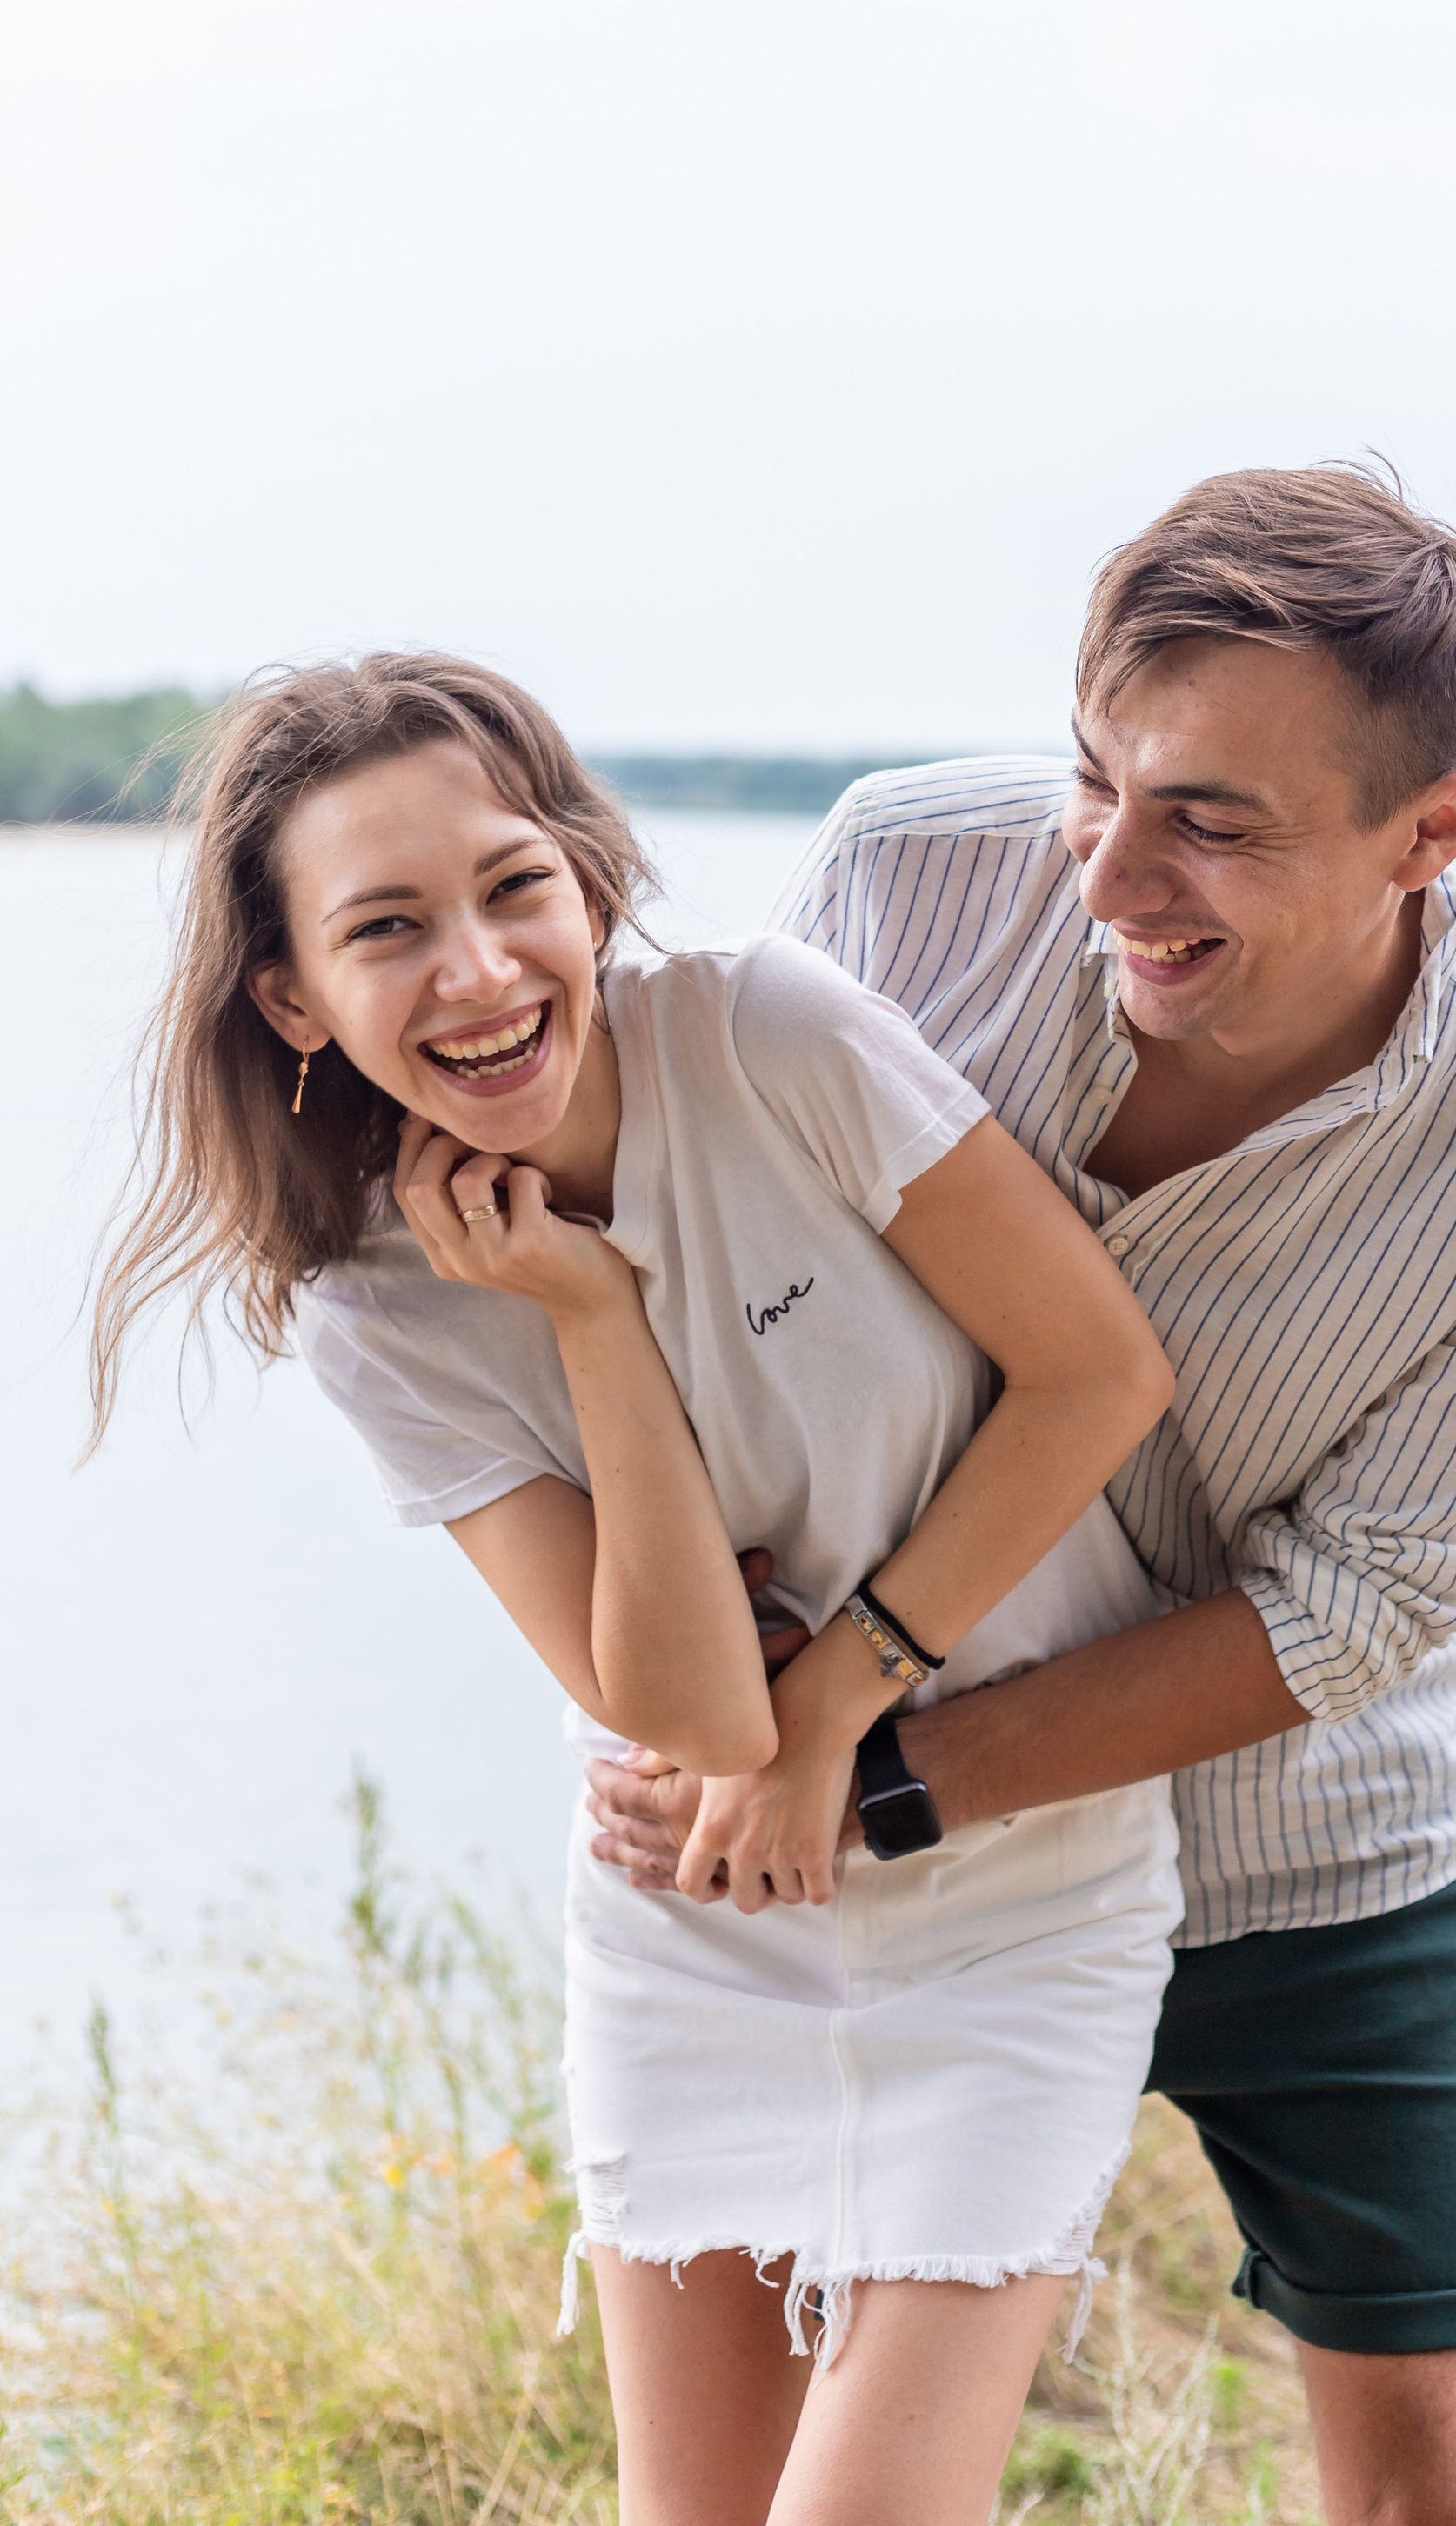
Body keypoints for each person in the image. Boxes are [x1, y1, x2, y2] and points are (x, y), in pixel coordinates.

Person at [589, 462, 1456, 2526]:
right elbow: (716, 1282)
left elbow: (1362, 1600)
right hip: (865, 1866)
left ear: (1431, 829)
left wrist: (870, 1763)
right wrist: (739, 1696)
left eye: (1209, 822)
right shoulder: (901, 872)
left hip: (1311, 1863)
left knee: (1446, 2491)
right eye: (1090, 778)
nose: (1103, 876)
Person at [90, 655, 1188, 2526]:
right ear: (290, 995)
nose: (479, 973)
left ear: (587, 880)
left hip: (1018, 1910)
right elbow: (684, 1713)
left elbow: (1098, 1374)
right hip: (700, 1929)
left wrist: (832, 1706)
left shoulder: (766, 1035)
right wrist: (595, 1317)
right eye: (385, 928)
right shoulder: (378, 1307)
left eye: (514, 886)